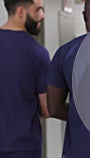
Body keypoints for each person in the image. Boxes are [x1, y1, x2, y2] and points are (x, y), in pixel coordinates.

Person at [46, 0, 90, 157]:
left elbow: (54, 108)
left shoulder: (65, 52)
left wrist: (84, 115)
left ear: (85, 16)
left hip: (79, 148)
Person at [0, 0, 50, 157]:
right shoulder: (38, 53)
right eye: (38, 10)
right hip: (23, 147)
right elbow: (47, 108)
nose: (42, 15)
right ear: (20, 12)